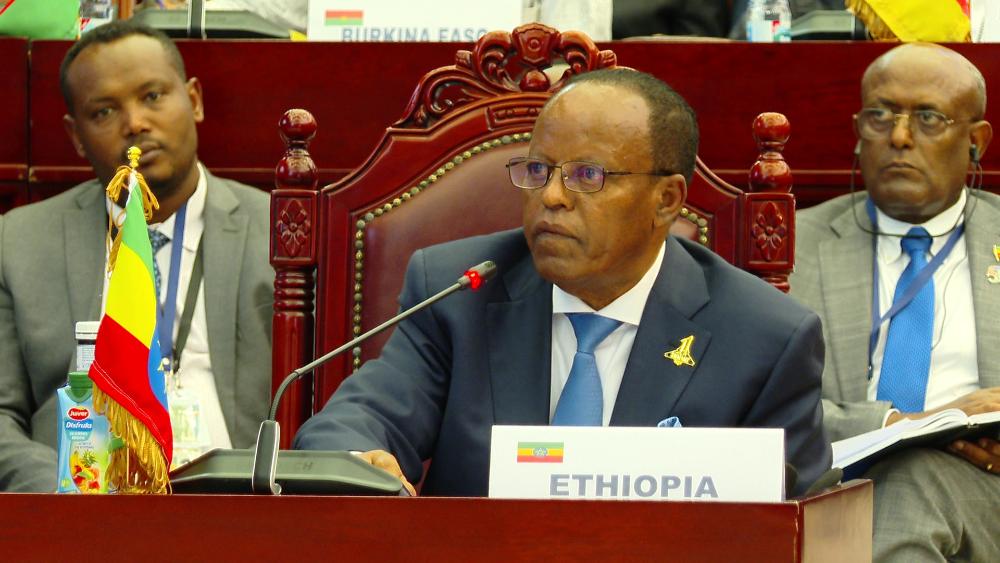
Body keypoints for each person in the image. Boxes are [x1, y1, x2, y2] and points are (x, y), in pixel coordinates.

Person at [295, 68, 831, 497]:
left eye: (587, 176)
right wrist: (359, 462)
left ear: (666, 200)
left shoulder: (764, 339)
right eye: (538, 171)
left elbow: (799, 524)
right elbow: (354, 422)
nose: (551, 197)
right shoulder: (460, 293)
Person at [0, 21, 273, 492]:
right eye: (104, 111)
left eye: (152, 96)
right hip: (80, 507)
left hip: (243, 505)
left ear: (194, 100)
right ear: (76, 136)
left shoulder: (279, 231)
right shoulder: (20, 242)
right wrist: (63, 492)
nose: (135, 123)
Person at [790, 43, 999, 561]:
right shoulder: (790, 247)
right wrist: (905, 425)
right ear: (858, 131)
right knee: (907, 479)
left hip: (986, 492)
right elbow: (761, 407)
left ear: (975, 141)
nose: (900, 137)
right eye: (880, 117)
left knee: (913, 481)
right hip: (829, 488)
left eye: (928, 118)